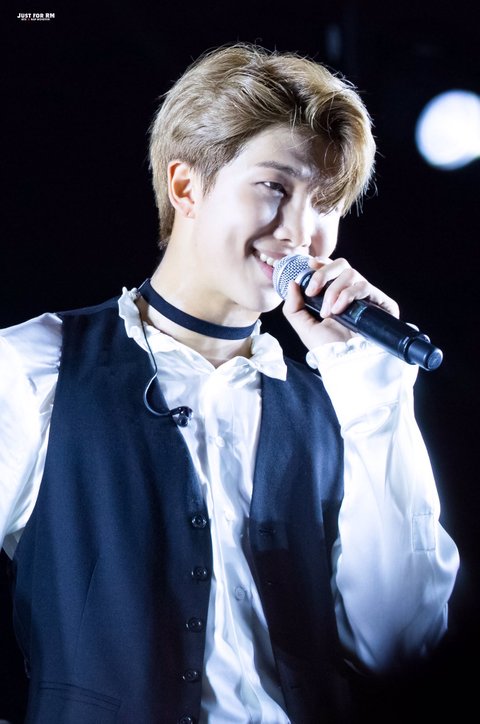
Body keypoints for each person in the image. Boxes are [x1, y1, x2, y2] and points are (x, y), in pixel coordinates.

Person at [0, 43, 459, 724]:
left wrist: (377, 393)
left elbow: (398, 645)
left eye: (325, 203)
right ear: (186, 187)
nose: (301, 233)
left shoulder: (341, 404)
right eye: (275, 187)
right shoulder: (38, 366)